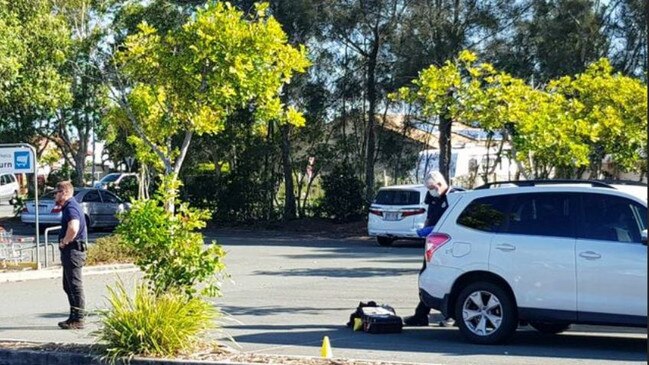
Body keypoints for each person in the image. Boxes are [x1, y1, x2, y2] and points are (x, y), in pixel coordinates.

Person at [403, 171, 455, 327]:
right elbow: (430, 216)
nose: (431, 191)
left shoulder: (455, 197)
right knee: (426, 277)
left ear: (440, 184)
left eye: (432, 187)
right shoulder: (432, 196)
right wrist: (426, 229)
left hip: (450, 244)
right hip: (433, 243)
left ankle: (451, 316)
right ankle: (421, 315)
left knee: (449, 280)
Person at [55, 181, 87, 330]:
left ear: (64, 193)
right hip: (72, 251)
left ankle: (78, 319)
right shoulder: (70, 206)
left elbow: (73, 227)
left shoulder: (71, 207)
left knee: (74, 286)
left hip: (73, 250)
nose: (55, 195)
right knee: (68, 286)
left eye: (57, 192)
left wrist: (65, 241)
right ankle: (73, 317)